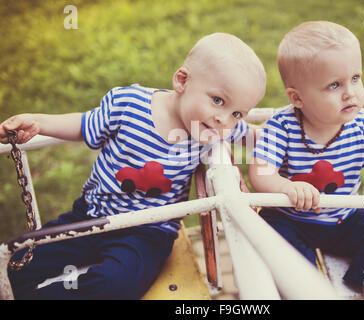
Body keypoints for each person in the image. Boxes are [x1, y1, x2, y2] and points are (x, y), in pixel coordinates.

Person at [0, 32, 266, 299]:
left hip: (148, 232)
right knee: (18, 265)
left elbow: (259, 135)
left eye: (236, 113)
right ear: (182, 80)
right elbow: (82, 125)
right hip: (92, 213)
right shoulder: (128, 104)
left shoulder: (212, 128)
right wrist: (38, 122)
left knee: (114, 284)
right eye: (218, 100)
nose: (224, 120)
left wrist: (291, 133)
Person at [248, 21, 364, 300]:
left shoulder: (362, 126)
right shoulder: (282, 126)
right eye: (334, 85)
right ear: (297, 97)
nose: (350, 92)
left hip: (344, 218)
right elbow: (261, 174)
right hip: (292, 217)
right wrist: (287, 188)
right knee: (272, 236)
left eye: (355, 78)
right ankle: (306, 288)